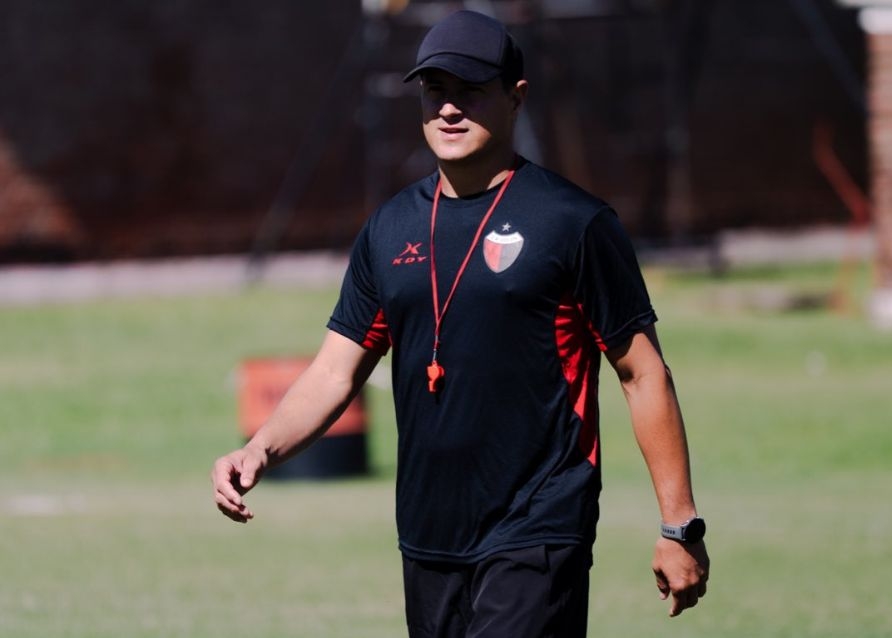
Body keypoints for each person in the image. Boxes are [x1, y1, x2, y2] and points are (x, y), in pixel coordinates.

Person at [212, 9, 709, 637]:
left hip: (538, 529)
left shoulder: (574, 222)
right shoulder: (389, 229)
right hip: (428, 536)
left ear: (515, 97)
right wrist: (259, 448)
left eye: (470, 90)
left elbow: (642, 374)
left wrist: (679, 525)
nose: (449, 108)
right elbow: (335, 371)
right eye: (435, 90)